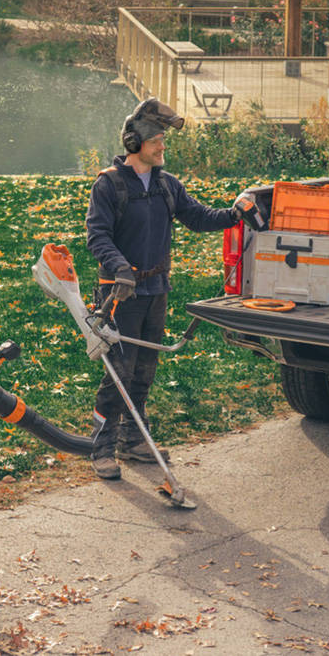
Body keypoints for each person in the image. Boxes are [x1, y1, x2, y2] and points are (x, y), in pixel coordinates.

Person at [83, 99, 249, 480]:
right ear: (133, 142)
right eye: (157, 140)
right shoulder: (108, 185)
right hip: (119, 295)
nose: (162, 147)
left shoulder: (167, 185)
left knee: (144, 371)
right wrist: (120, 267)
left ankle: (133, 439)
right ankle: (101, 446)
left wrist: (233, 214)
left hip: (157, 290)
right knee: (118, 373)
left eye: (162, 140)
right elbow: (98, 236)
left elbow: (197, 217)